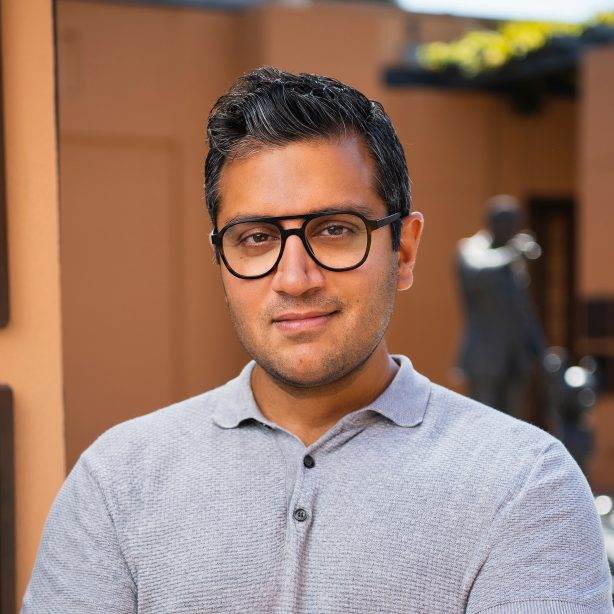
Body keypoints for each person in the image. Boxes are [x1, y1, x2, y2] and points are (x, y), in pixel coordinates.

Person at [22, 67, 612, 613]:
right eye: (256, 238)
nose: (295, 279)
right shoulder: (117, 479)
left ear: (404, 251)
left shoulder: (523, 484)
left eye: (334, 230)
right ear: (221, 260)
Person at [456, 195, 547, 417]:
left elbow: (523, 310)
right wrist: (514, 252)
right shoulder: (473, 248)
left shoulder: (512, 261)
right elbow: (477, 270)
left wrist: (541, 350)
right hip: (485, 357)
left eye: (515, 224)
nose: (512, 230)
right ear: (492, 223)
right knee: (483, 420)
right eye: (507, 224)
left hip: (514, 357)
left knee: (512, 422)